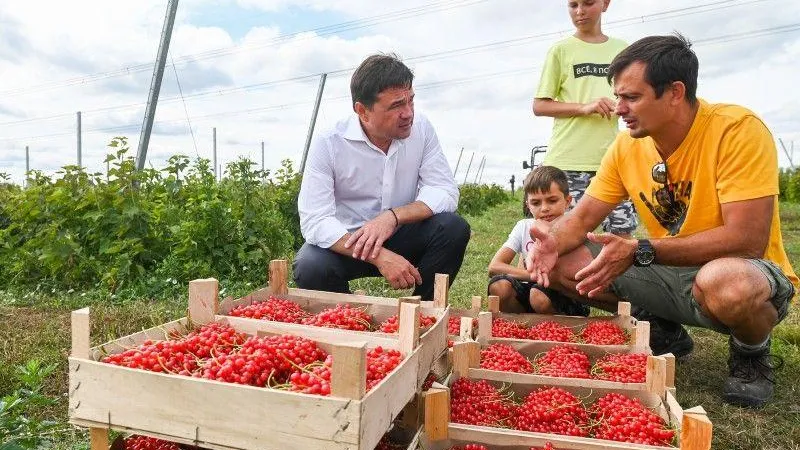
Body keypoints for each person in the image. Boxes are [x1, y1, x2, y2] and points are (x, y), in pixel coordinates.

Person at [526, 33, 798, 408]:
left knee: (726, 283)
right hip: (670, 266)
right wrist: (549, 243)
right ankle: (663, 330)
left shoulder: (736, 129)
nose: (618, 108)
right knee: (564, 259)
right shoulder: (626, 146)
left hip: (743, 269)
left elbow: (747, 238)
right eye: (617, 96)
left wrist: (640, 250)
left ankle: (751, 351)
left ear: (674, 92)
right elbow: (582, 217)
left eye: (632, 97)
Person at [294, 53, 470, 301]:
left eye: (411, 100)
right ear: (362, 111)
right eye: (397, 105)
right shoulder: (330, 142)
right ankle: (346, 321)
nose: (408, 113)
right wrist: (378, 255)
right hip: (347, 243)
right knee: (310, 266)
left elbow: (444, 190)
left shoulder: (421, 128)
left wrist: (393, 217)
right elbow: (315, 219)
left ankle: (424, 313)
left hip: (402, 235)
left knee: (453, 228)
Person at [533, 0, 638, 237]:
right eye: (573, 5)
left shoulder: (623, 50)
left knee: (620, 236)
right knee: (559, 240)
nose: (580, 11)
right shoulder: (561, 50)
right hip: (567, 162)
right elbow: (539, 105)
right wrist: (584, 107)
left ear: (605, 4)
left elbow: (635, 95)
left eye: (588, 3)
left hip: (612, 162)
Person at [488, 166, 590, 316]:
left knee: (538, 296)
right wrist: (534, 276)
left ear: (567, 201)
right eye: (536, 203)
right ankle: (522, 326)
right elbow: (494, 267)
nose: (544, 208)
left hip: (565, 296)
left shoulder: (575, 229)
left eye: (552, 200)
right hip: (531, 289)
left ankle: (557, 330)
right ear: (528, 205)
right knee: (500, 286)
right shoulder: (524, 227)